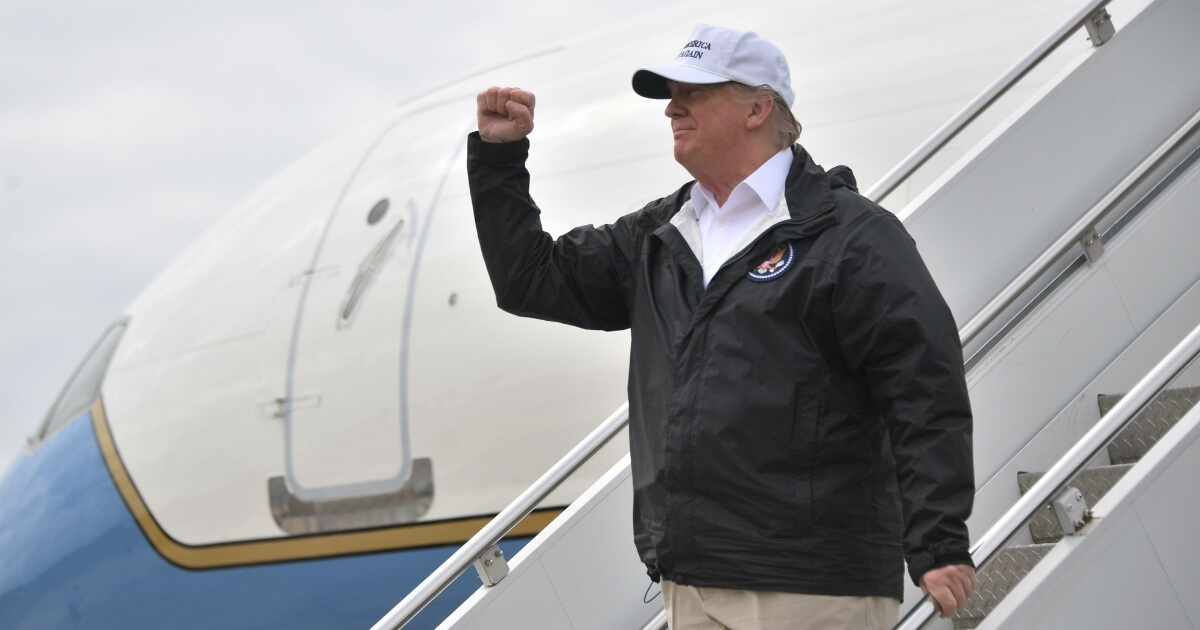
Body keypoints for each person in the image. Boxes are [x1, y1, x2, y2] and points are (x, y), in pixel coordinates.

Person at [467, 23, 976, 630]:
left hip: (810, 587)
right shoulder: (659, 235)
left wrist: (939, 543)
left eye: (695, 92)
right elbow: (530, 279)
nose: (672, 107)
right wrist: (500, 158)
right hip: (691, 586)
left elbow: (924, 387)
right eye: (670, 93)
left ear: (759, 107)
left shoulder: (854, 236)